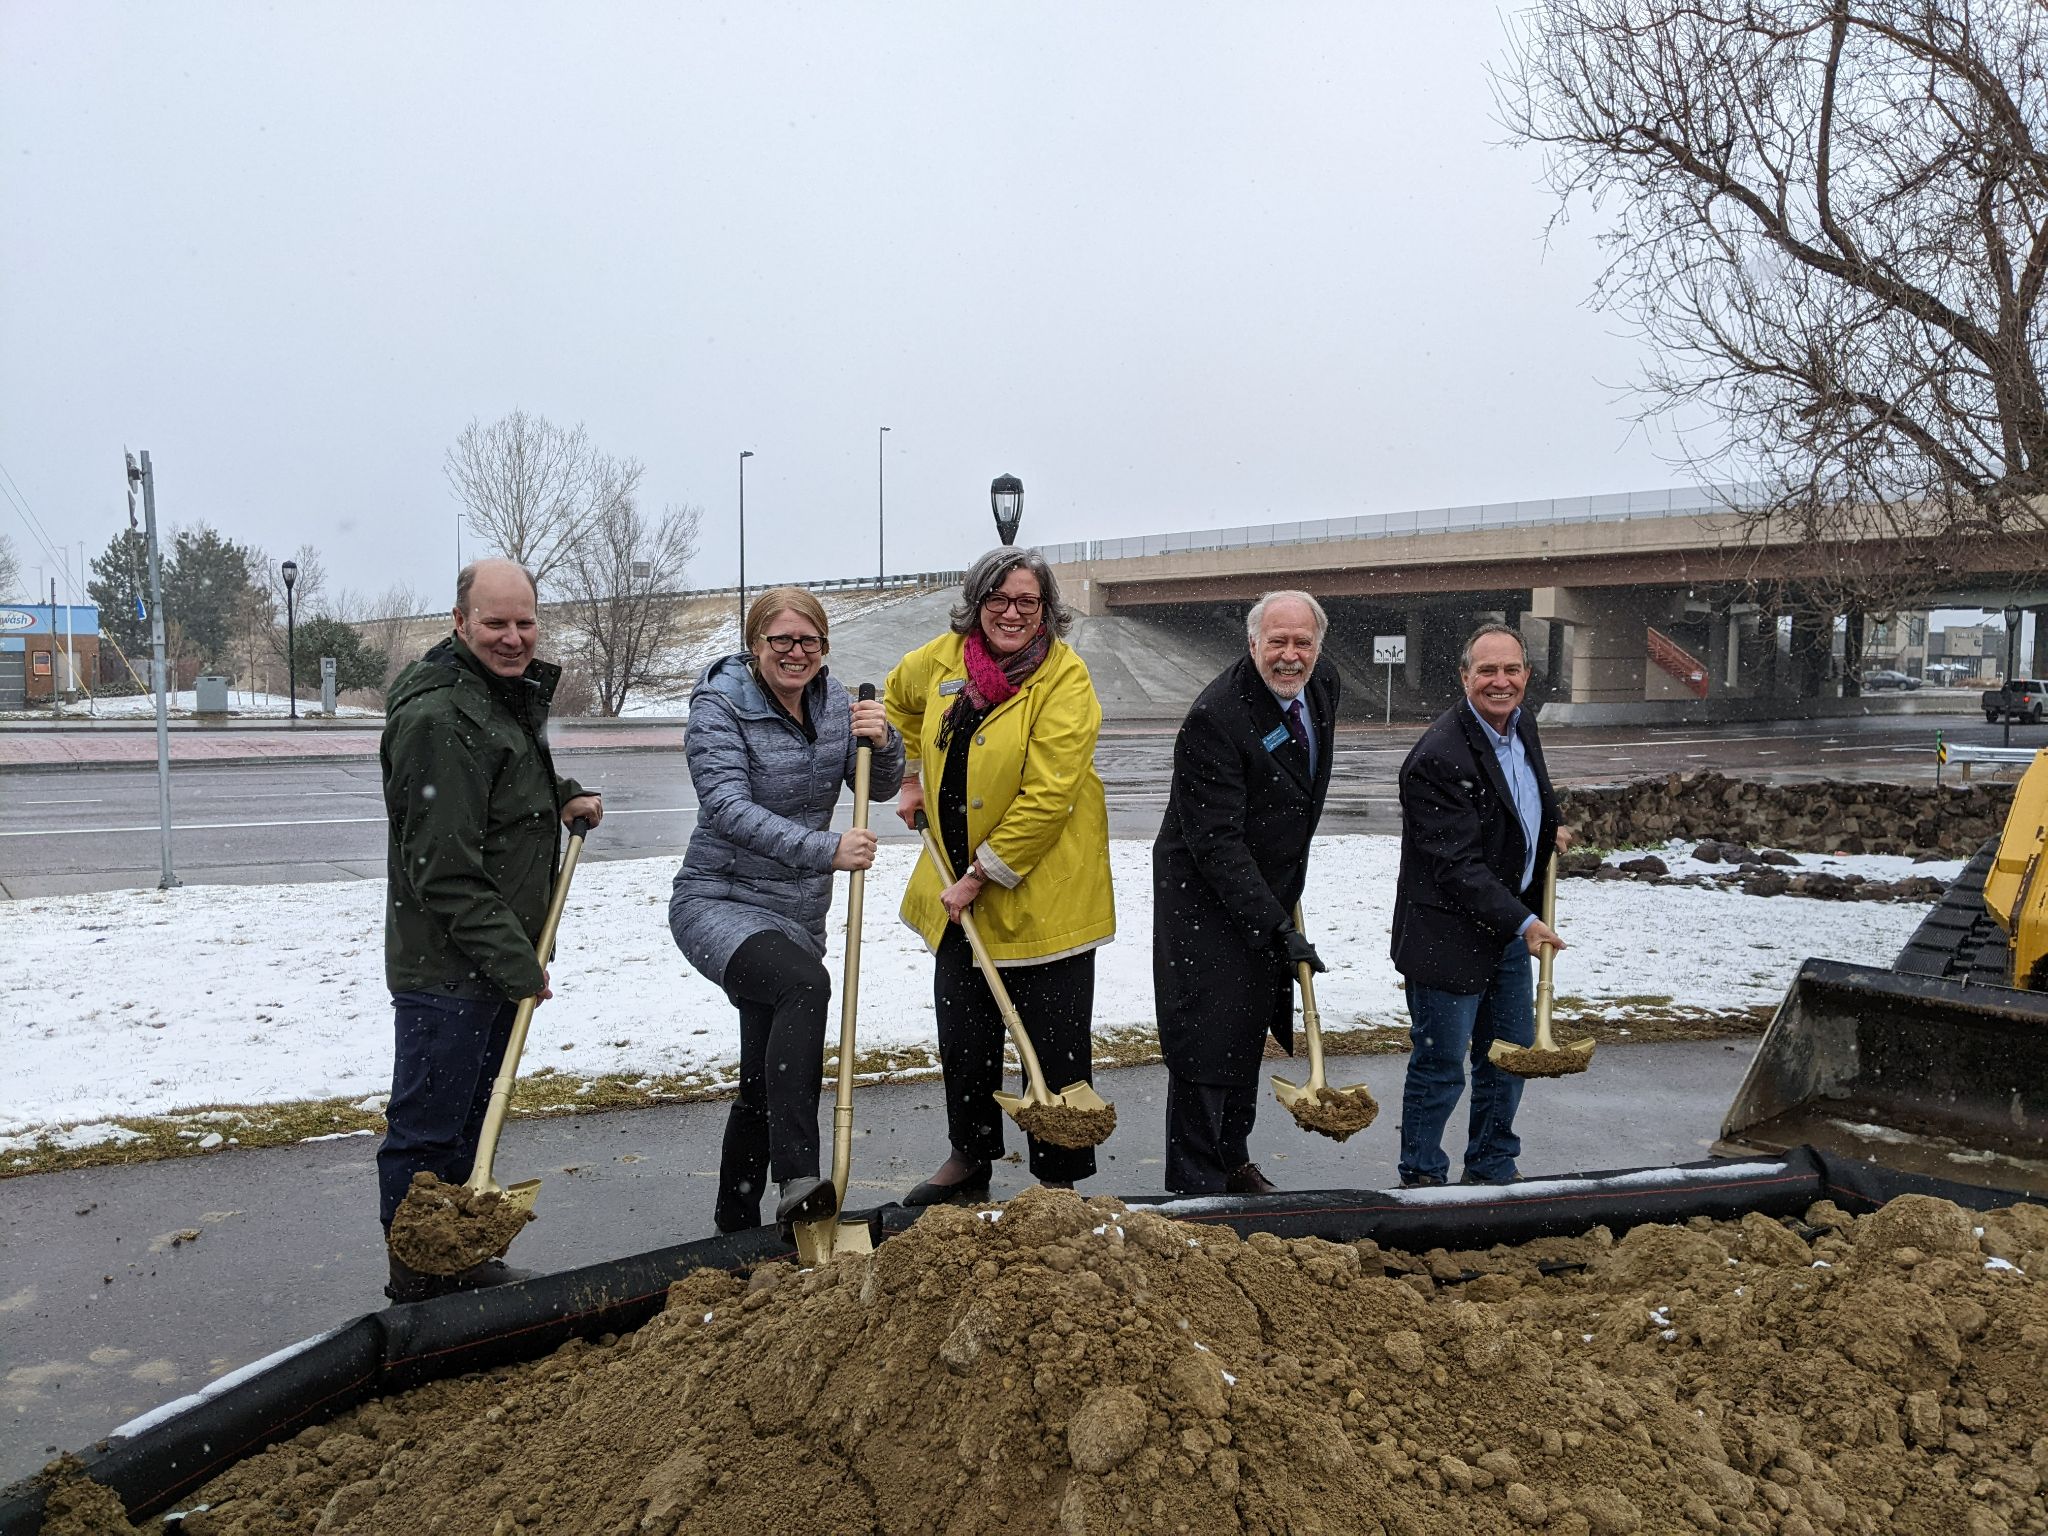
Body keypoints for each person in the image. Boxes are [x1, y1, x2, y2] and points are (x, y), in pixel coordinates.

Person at [378, 558, 604, 1302]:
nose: (514, 638)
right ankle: (418, 1286)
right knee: (429, 1135)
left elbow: (501, 790)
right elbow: (442, 868)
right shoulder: (441, 717)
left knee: (471, 1126)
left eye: (525, 622)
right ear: (459, 622)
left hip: (489, 963)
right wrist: (519, 963)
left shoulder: (495, 697)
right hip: (450, 970)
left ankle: (458, 1262)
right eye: (496, 624)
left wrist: (562, 795)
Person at [670, 587, 903, 1234]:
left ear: (824, 647)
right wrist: (826, 850)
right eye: (781, 641)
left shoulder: (839, 706)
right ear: (755, 645)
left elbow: (877, 787)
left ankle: (735, 1226)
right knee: (805, 985)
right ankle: (799, 1178)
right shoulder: (719, 707)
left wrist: (882, 743)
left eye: (809, 641)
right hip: (718, 900)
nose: (796, 653)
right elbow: (727, 807)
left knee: (761, 1076)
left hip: (797, 914)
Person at [885, 547, 1115, 1204]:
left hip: (1043, 889)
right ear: (977, 601)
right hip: (956, 881)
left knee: (1054, 1041)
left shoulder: (1063, 679)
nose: (1011, 613)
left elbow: (1050, 793)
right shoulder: (943, 660)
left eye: (1027, 602)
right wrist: (907, 778)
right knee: (966, 1034)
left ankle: (1059, 1176)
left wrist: (980, 874)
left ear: (1047, 610)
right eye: (999, 599)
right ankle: (969, 1157)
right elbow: (897, 702)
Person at [1153, 591, 1340, 1196]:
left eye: (1302, 642)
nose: (1291, 655)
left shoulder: (1321, 686)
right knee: (1208, 1042)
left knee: (1247, 1028)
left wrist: (1278, 909)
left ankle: (1232, 1159)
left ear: (1318, 646)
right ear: (1252, 642)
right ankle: (1196, 1189)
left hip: (1264, 891)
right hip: (1206, 899)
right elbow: (1217, 845)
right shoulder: (1217, 718)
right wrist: (1279, 927)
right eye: (1277, 642)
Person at [1390, 621, 1570, 1188]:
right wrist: (1525, 921)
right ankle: (1421, 1178)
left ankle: (1492, 1167)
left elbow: (1524, 796)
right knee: (1441, 1068)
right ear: (1465, 677)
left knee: (1508, 1055)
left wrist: (1548, 832)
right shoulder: (1437, 756)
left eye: (1511, 670)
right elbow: (1456, 866)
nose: (1500, 682)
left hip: (1508, 928)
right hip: (1447, 935)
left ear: (1527, 675)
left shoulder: (1522, 724)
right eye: (1487, 671)